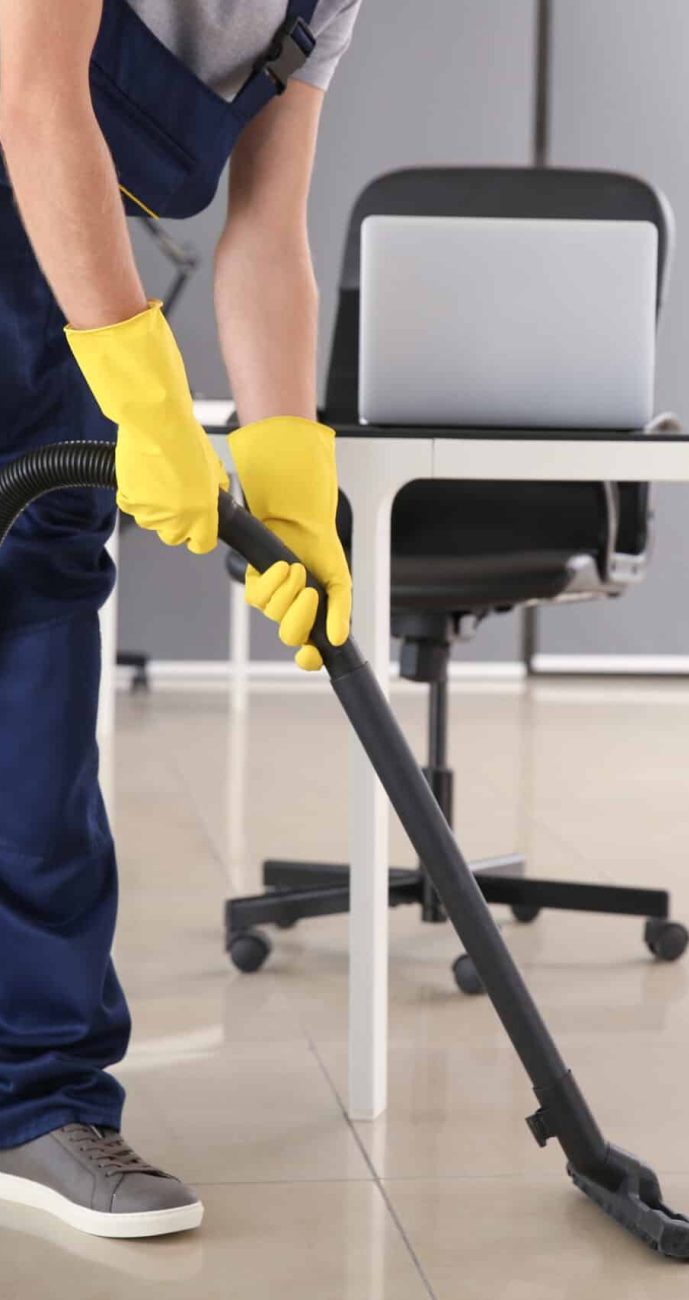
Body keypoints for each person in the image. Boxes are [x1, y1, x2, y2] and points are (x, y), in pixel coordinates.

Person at [0, 0, 357, 1239]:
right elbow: (34, 92)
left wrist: (286, 459)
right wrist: (145, 389)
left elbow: (266, 226)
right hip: (60, 244)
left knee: (38, 667)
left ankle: (36, 1100)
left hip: (52, 282)